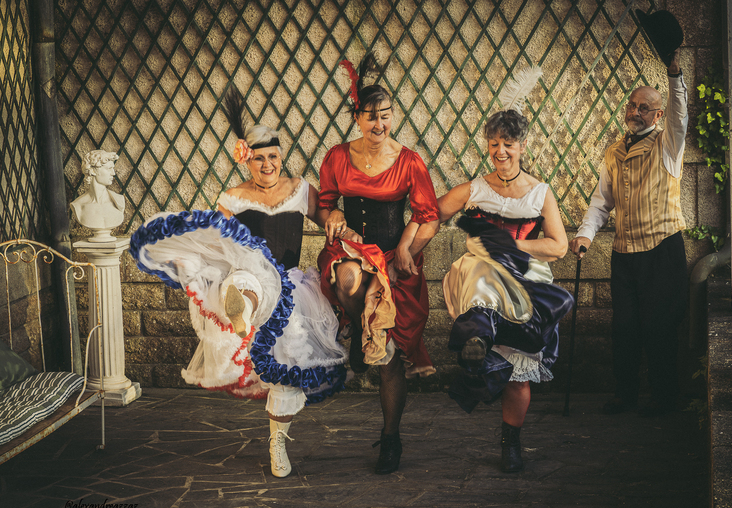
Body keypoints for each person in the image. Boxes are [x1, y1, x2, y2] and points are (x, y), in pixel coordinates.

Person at [129, 89, 348, 478]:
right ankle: (241, 311)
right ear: (248, 159)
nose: (267, 164)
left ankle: (278, 442)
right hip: (248, 274)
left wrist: (339, 223)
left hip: (292, 288)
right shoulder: (233, 197)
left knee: (286, 364)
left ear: (282, 157)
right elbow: (215, 241)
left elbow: (327, 217)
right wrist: (189, 259)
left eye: (273, 157)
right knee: (247, 277)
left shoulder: (300, 190)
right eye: (260, 158)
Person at [316, 53, 440, 475]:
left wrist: (408, 245)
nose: (379, 125)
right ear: (357, 118)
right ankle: (357, 333)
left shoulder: (409, 161)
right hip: (352, 251)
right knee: (349, 279)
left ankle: (391, 437)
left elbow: (429, 216)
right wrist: (331, 216)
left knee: (388, 358)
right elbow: (325, 205)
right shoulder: (336, 156)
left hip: (390, 261)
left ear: (393, 115)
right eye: (370, 118)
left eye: (385, 116)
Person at [437, 109, 573, 473]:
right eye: (494, 143)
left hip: (523, 281)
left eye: (508, 144)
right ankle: (477, 338)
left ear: (522, 146)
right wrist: (404, 249)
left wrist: (510, 247)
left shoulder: (540, 194)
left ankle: (510, 441)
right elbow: (430, 213)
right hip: (480, 280)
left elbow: (559, 246)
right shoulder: (475, 190)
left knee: (518, 371)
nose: (500, 151)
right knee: (480, 268)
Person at [568, 48, 689, 417]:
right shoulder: (614, 152)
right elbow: (601, 201)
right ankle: (626, 393)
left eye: (642, 107)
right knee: (624, 328)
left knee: (660, 328)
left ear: (657, 114)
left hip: (662, 248)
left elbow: (680, 117)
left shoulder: (668, 146)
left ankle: (665, 398)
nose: (634, 112)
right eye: (631, 105)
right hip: (625, 253)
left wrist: (674, 74)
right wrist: (586, 233)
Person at [71, 150, 125, 238]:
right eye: (109, 169)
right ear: (93, 171)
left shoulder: (119, 201)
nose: (113, 173)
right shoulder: (78, 205)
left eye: (113, 168)